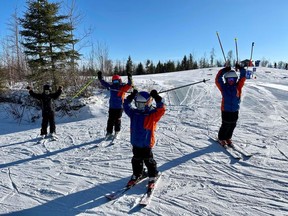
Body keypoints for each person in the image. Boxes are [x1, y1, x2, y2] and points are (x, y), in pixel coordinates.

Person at [123, 89, 165, 189]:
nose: (139, 107)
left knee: (148, 160)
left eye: (141, 104)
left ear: (148, 103)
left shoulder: (152, 115)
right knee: (136, 160)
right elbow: (125, 106)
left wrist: (157, 98)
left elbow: (161, 109)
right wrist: (130, 97)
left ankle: (152, 175)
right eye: (137, 104)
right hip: (135, 143)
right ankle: (137, 174)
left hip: (146, 143)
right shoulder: (134, 113)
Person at [215, 63, 247, 146]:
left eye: (233, 79)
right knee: (225, 124)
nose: (231, 81)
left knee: (233, 124)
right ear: (226, 80)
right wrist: (224, 70)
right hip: (226, 109)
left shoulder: (238, 86)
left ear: (235, 79)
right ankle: (221, 138)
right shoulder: (223, 87)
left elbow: (243, 77)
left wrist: (241, 68)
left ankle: (228, 137)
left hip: (235, 110)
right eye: (229, 80)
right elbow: (218, 79)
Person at [97, 71, 133, 138]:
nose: (115, 83)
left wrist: (130, 78)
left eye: (117, 81)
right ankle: (109, 132)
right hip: (112, 106)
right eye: (114, 81)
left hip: (119, 107)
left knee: (117, 119)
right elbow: (104, 83)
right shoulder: (111, 86)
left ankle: (117, 131)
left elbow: (129, 85)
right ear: (112, 81)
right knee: (110, 120)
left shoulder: (123, 87)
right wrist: (100, 78)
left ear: (120, 81)